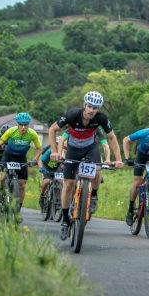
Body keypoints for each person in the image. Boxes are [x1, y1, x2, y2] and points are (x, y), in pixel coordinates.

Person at [48, 90, 124, 240]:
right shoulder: (72, 114)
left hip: (90, 148)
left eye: (95, 108)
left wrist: (118, 159)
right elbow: (52, 129)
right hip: (73, 149)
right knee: (68, 184)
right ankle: (65, 221)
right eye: (89, 106)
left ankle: (93, 195)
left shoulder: (101, 118)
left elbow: (111, 137)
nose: (91, 110)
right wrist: (54, 152)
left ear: (98, 109)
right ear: (84, 105)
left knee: (97, 169)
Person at [0, 113, 41, 213]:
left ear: (28, 124)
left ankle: (18, 209)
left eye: (26, 124)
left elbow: (39, 148)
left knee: (22, 184)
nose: (23, 127)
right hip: (8, 156)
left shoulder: (32, 134)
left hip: (21, 158)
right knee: (1, 178)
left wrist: (35, 159)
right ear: (17, 124)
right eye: (21, 124)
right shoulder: (11, 131)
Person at [37, 136, 63, 209]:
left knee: (61, 181)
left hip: (56, 168)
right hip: (46, 167)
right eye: (57, 144)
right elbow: (40, 160)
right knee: (47, 181)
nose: (59, 146)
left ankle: (58, 198)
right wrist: (41, 168)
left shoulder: (64, 152)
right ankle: (42, 195)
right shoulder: (50, 151)